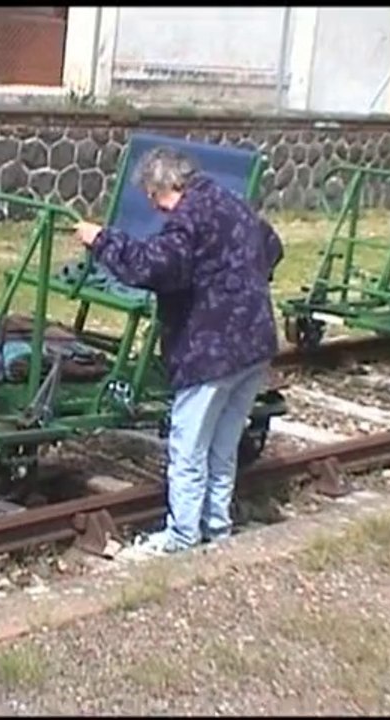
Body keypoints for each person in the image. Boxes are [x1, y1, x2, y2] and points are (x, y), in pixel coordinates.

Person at [74, 146, 283, 554]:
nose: (158, 209)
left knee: (188, 448)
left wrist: (101, 239)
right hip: (254, 341)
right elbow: (272, 246)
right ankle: (216, 527)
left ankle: (184, 536)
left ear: (162, 187)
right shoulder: (232, 202)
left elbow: (152, 267)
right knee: (222, 446)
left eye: (154, 199)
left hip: (211, 351)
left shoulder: (189, 218)